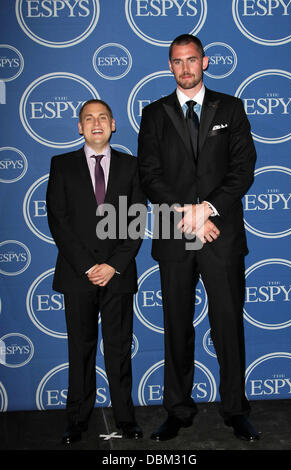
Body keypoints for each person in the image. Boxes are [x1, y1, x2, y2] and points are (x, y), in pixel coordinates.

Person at [138, 34, 259, 442]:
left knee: (227, 323)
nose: (185, 68)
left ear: (205, 62)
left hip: (219, 232)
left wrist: (205, 209)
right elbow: (149, 174)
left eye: (192, 60)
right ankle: (177, 410)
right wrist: (187, 214)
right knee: (176, 324)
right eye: (177, 62)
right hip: (176, 234)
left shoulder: (231, 107)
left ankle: (235, 409)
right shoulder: (153, 114)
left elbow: (243, 169)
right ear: (169, 66)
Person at [46, 99, 146, 445]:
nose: (96, 123)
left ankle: (126, 418)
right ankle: (77, 419)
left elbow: (137, 220)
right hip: (78, 274)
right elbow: (58, 221)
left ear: (114, 124)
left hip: (118, 275)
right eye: (88, 118)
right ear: (79, 127)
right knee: (81, 349)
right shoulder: (61, 165)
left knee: (118, 350)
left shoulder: (132, 166)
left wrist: (113, 266)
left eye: (102, 117)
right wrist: (89, 266)